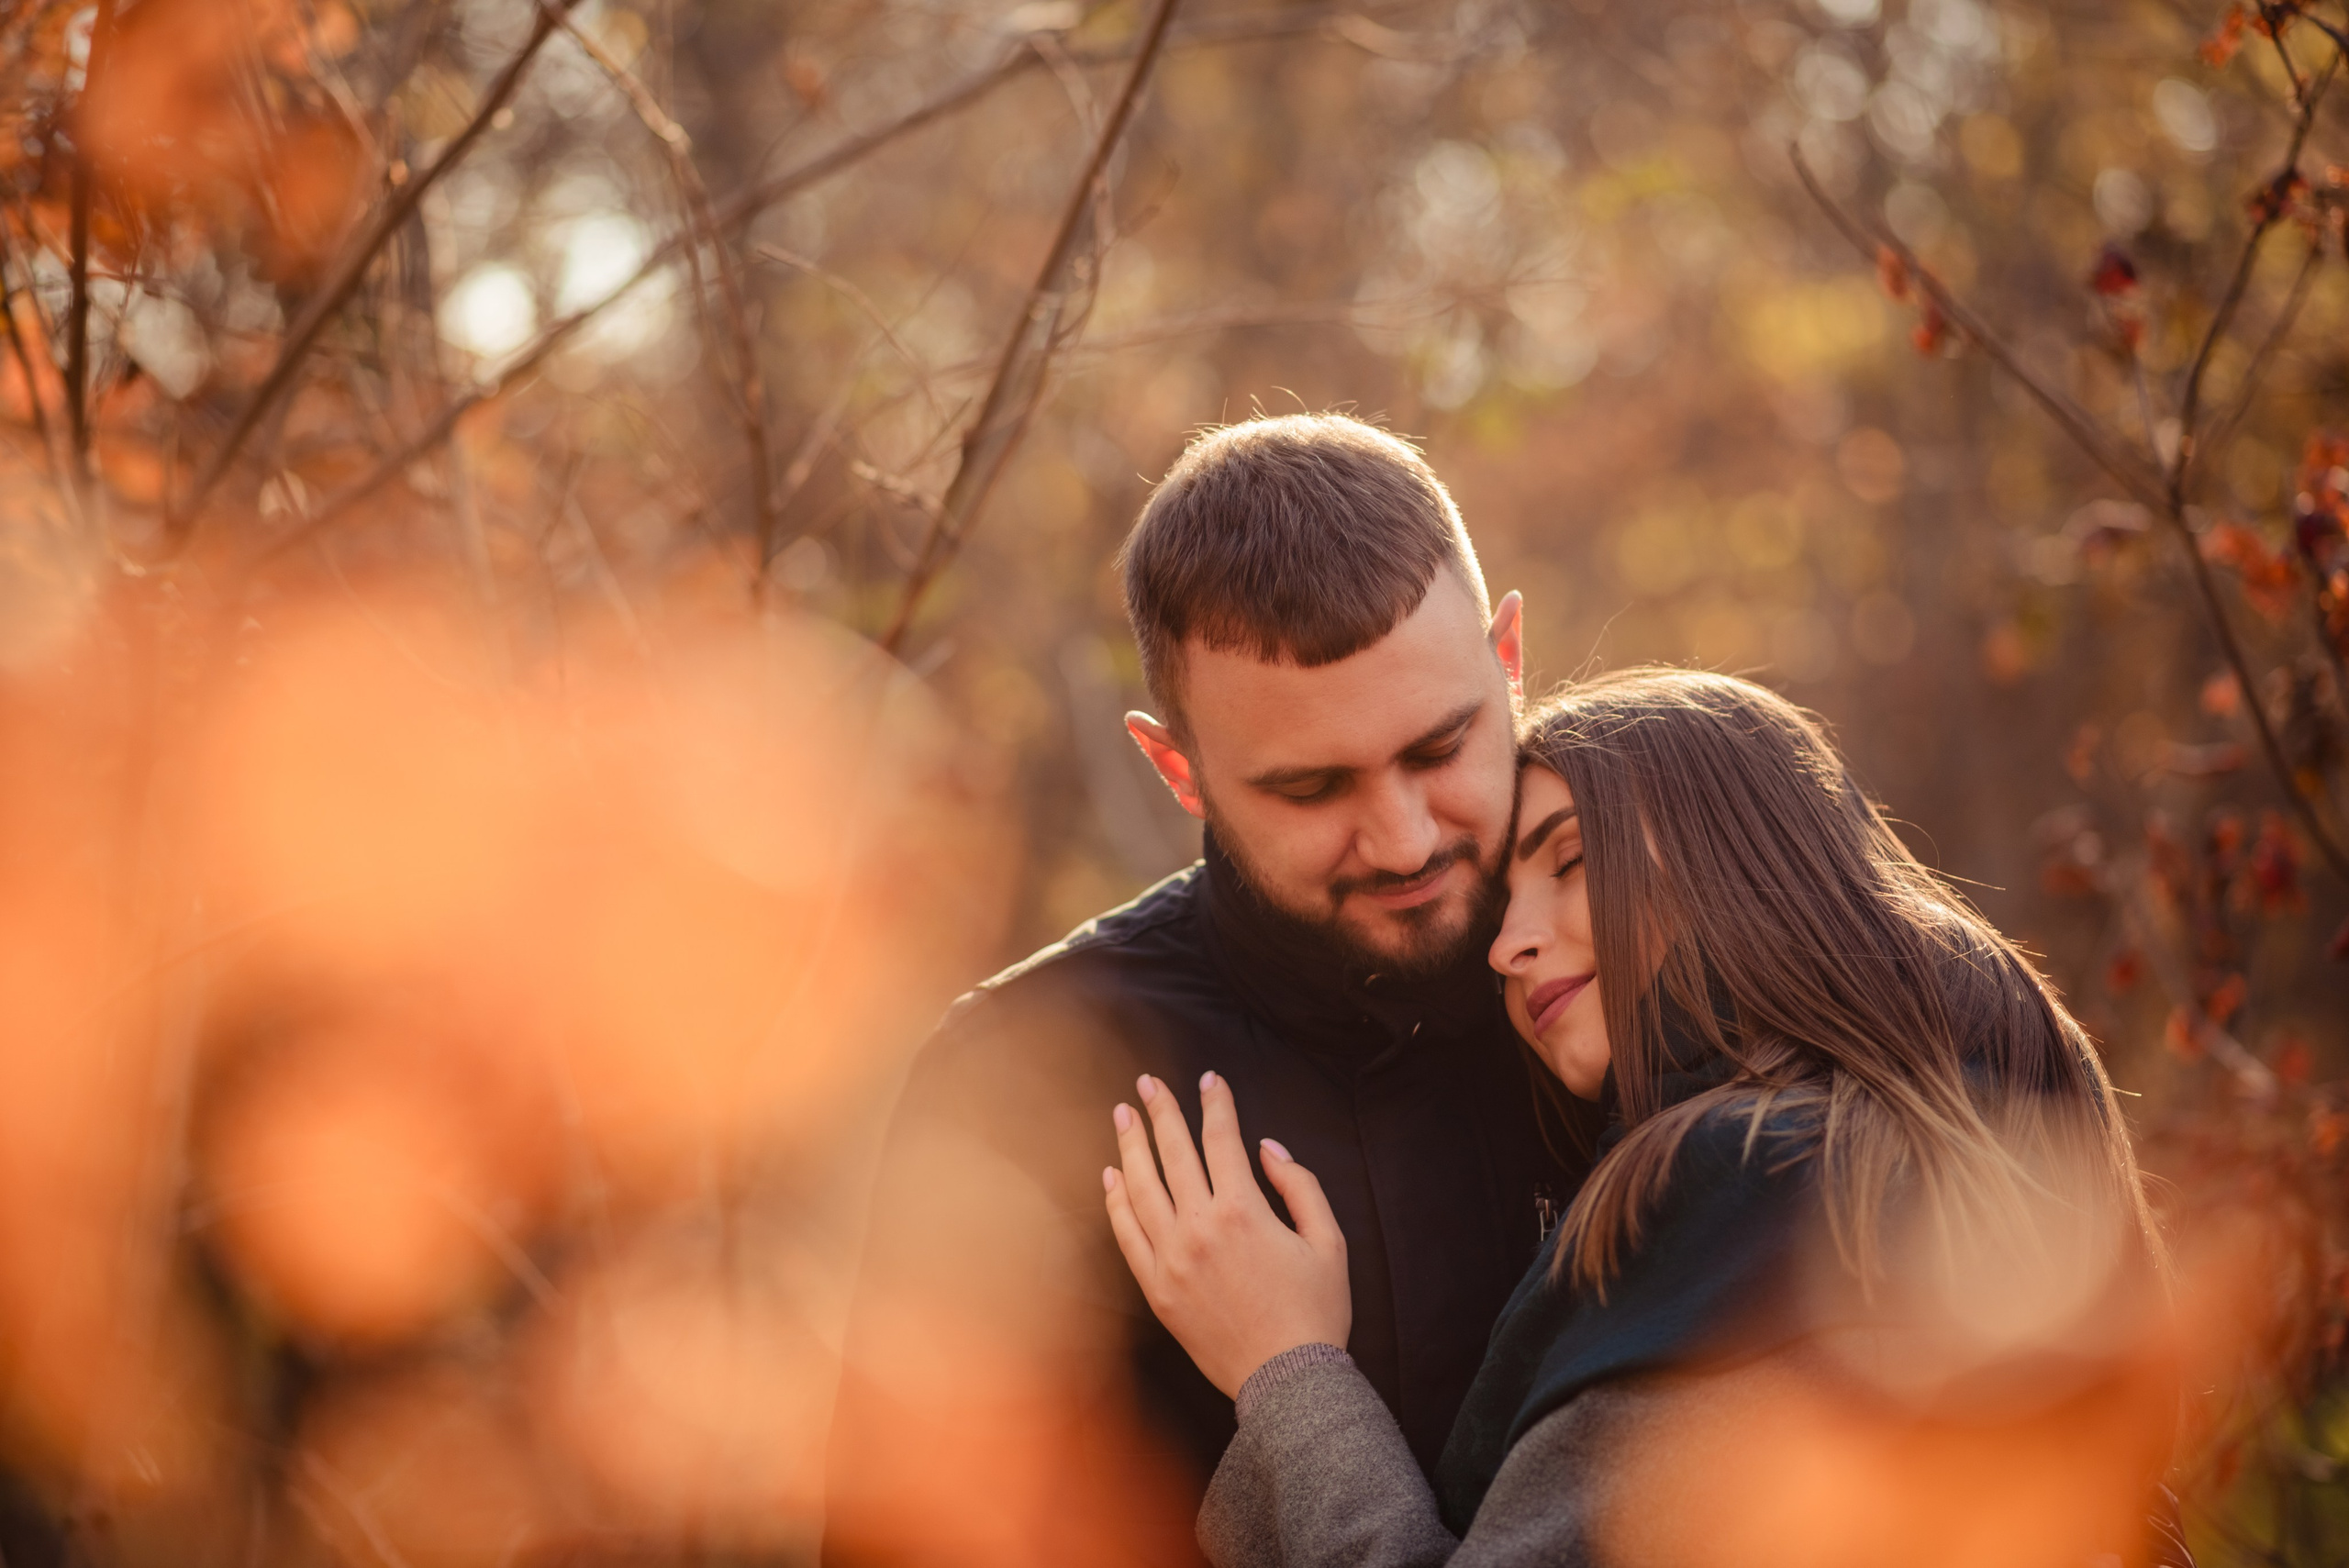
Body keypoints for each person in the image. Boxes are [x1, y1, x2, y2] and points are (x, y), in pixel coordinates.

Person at [1104, 669, 2194, 1568]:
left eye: (1571, 863)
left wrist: (1284, 1366)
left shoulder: (1747, 1183)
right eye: (1501, 905)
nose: (1505, 946)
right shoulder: (1960, 1157)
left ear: (1739, 862)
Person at [820, 416, 1587, 1567]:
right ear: (1175, 768)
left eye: (1439, 747)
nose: (1404, 836)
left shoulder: (1633, 963)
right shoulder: (1032, 1070)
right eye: (1310, 787)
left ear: (1509, 656)